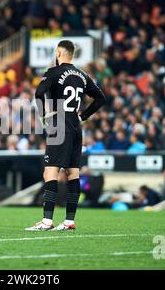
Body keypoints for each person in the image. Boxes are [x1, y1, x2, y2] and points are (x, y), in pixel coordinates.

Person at [26, 40, 105, 231]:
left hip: (58, 125)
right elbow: (101, 98)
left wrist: (44, 116)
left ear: (59, 53)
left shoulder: (53, 72)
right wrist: (83, 116)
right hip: (76, 128)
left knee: (50, 172)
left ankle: (46, 221)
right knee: (73, 174)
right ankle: (69, 221)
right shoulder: (82, 75)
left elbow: (38, 93)